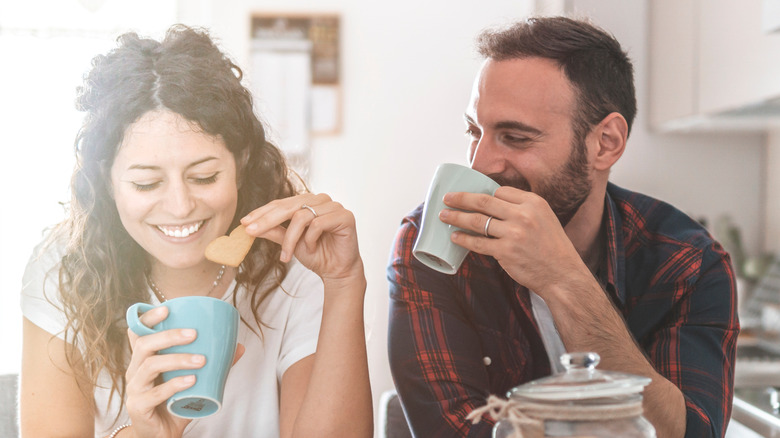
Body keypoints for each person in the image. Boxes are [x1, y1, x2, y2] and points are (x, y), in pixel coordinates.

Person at [387, 16, 738, 438]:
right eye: (474, 131)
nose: (480, 164)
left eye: (515, 138)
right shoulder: (434, 242)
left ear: (605, 143)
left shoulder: (687, 263)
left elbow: (690, 434)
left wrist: (564, 279)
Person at [20, 25, 372, 438]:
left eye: (204, 177)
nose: (180, 206)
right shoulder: (62, 269)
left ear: (241, 162)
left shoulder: (298, 263)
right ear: (106, 181)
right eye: (147, 184)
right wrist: (146, 435)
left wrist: (345, 283)